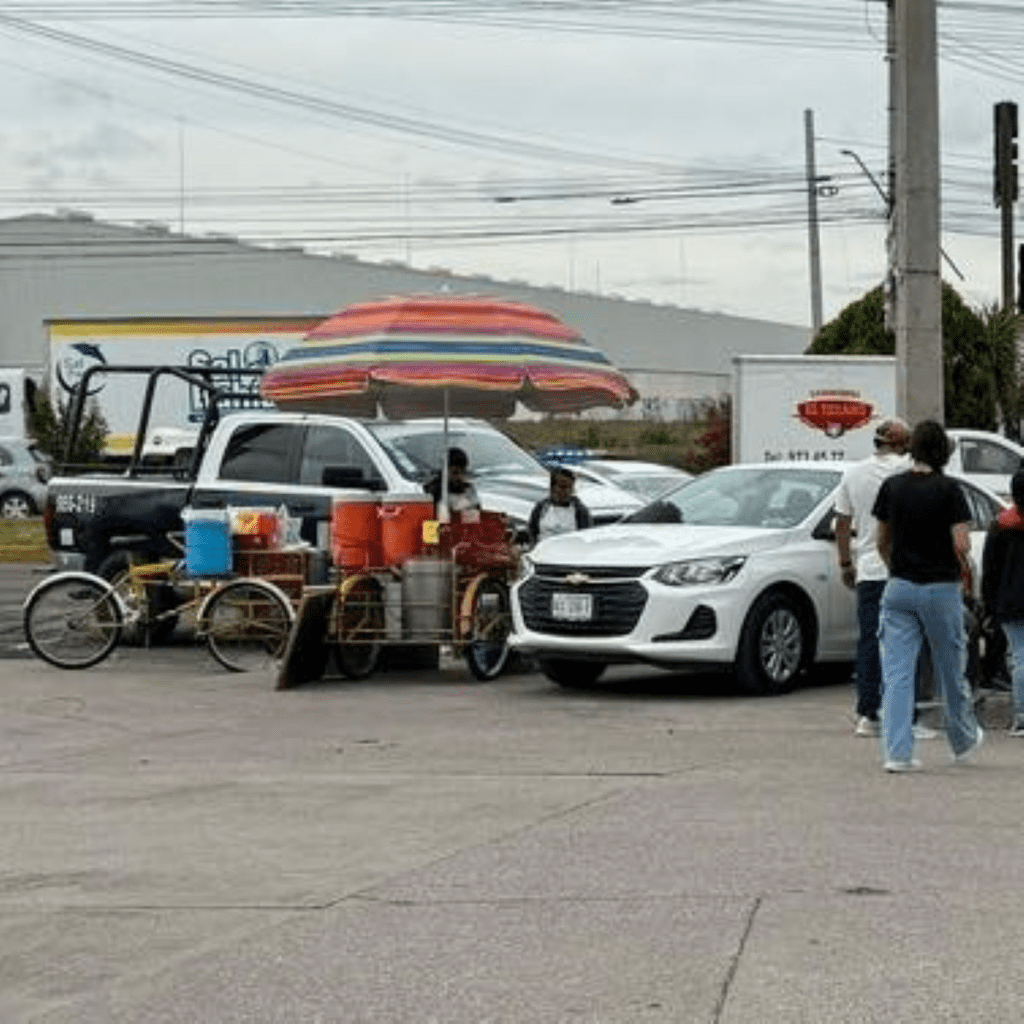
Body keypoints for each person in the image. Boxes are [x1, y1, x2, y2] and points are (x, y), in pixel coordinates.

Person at [873, 419, 984, 772]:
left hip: (899, 587)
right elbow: (961, 543)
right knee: (950, 669)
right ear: (942, 453)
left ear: (913, 449)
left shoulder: (891, 487)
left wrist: (895, 566)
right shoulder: (950, 490)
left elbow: (881, 540)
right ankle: (962, 740)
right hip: (940, 588)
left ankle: (897, 753)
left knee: (897, 674)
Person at [834, 416, 938, 739]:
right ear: (903, 443)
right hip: (905, 570)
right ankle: (906, 717)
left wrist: (845, 564)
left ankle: (869, 716)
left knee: (870, 642)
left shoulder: (853, 473)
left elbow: (842, 522)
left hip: (868, 571)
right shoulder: (911, 471)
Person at [981, 466, 1024, 736]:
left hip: (1009, 601)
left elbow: (990, 570)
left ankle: (1021, 716)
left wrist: (988, 605)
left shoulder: (1000, 525)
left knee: (1019, 656)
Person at [528, 466, 592, 545]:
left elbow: (586, 537)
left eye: (570, 487)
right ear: (552, 488)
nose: (566, 491)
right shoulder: (541, 508)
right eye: (562, 487)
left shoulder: (580, 511)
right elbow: (532, 533)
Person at [425, 446, 480, 517]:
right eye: (455, 472)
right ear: (445, 471)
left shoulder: (468, 488)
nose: (459, 476)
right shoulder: (434, 489)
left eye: (463, 472)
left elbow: (477, 512)